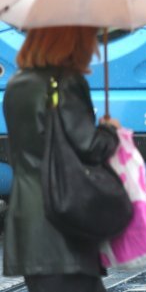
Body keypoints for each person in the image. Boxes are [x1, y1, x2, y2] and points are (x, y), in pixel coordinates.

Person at [3, 26, 122, 292]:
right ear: (73, 39)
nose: (92, 46)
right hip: (64, 226)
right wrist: (109, 130)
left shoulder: (16, 85)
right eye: (89, 36)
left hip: (29, 226)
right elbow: (89, 146)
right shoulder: (66, 81)